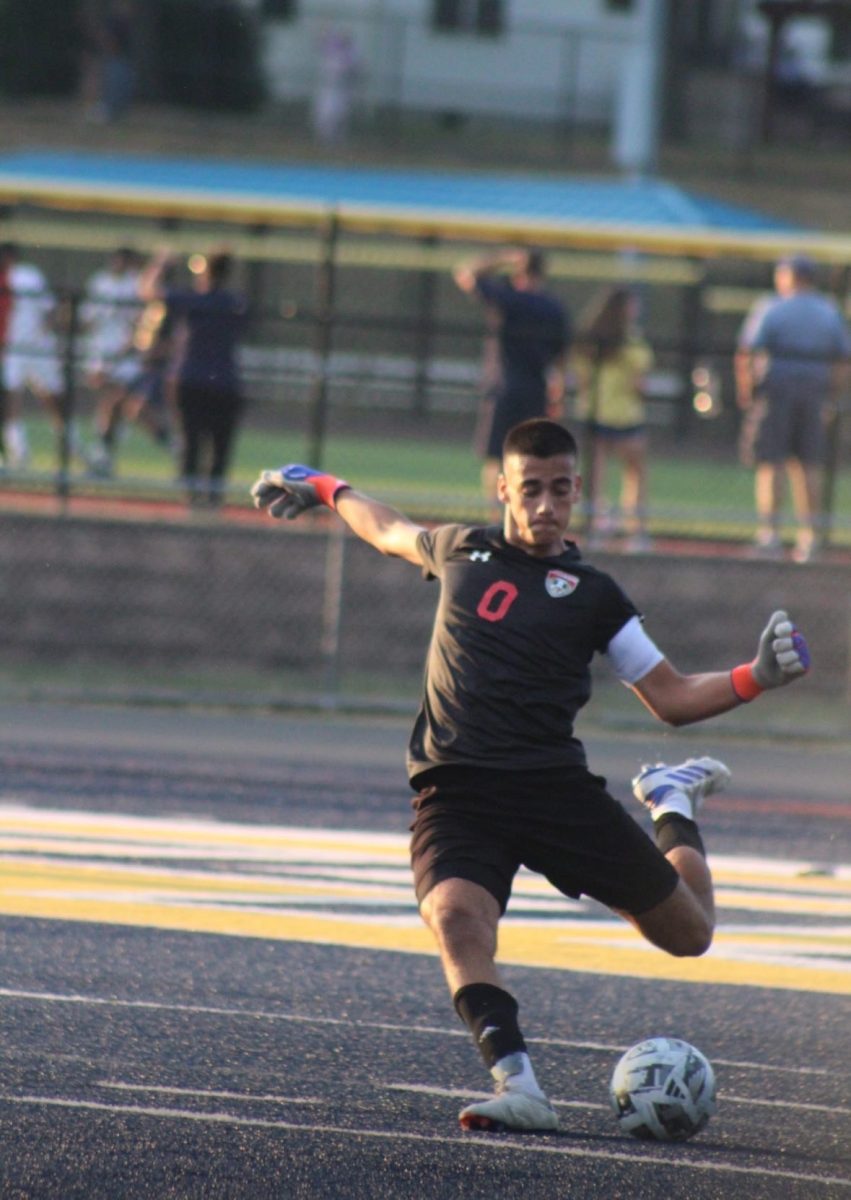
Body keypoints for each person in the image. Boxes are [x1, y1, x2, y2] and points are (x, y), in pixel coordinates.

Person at [250, 417, 810, 1135]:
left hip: (550, 790)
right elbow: (385, 527)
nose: (545, 506)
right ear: (502, 490)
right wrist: (326, 488)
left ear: (577, 490)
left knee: (688, 936)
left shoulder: (593, 595)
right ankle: (519, 1086)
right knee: (455, 914)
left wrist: (753, 677)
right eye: (530, 490)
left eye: (559, 490)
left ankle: (672, 803)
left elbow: (669, 696)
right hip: (456, 790)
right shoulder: (460, 549)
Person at [735, 254, 851, 563]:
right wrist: (834, 395)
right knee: (807, 464)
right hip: (815, 395)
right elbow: (843, 359)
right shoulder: (829, 311)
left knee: (771, 463)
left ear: (790, 276)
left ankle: (770, 534)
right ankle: (809, 536)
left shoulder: (773, 307)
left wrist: (746, 390)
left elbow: (747, 350)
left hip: (776, 392)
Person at [453, 247, 570, 518]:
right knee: (532, 458)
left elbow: (466, 273)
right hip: (536, 389)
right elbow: (562, 358)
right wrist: (559, 393)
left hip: (505, 388)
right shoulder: (554, 307)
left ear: (520, 273)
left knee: (497, 457)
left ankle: (497, 519)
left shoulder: (510, 299)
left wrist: (502, 258)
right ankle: (525, 516)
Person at [139, 247, 248, 508]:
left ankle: (191, 501)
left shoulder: (192, 299)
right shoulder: (234, 303)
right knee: (219, 448)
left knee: (191, 442)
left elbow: (147, 291)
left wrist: (160, 263)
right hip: (225, 382)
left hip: (190, 380)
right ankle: (212, 501)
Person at [571, 286, 654, 551]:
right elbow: (640, 384)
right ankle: (635, 532)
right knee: (635, 474)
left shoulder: (589, 339)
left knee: (595, 476)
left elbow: (581, 378)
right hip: (626, 416)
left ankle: (594, 528)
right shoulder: (632, 341)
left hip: (595, 413)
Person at [0, 243, 93, 472]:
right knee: (11, 400)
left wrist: (46, 334)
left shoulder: (27, 276)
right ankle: (18, 455)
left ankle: (77, 451)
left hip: (39, 348)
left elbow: (49, 310)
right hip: (13, 349)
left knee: (54, 402)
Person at [80, 246, 146, 475]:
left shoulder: (136, 284)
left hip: (126, 354)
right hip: (102, 352)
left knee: (117, 402)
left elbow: (141, 322)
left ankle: (101, 454)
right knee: (110, 403)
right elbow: (87, 319)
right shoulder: (99, 282)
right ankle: (102, 455)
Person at [312, 27, 360, 144]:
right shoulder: (333, 51)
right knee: (324, 114)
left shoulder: (351, 54)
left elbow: (356, 70)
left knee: (340, 114)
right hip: (328, 87)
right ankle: (325, 138)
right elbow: (320, 41)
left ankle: (338, 138)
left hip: (342, 89)